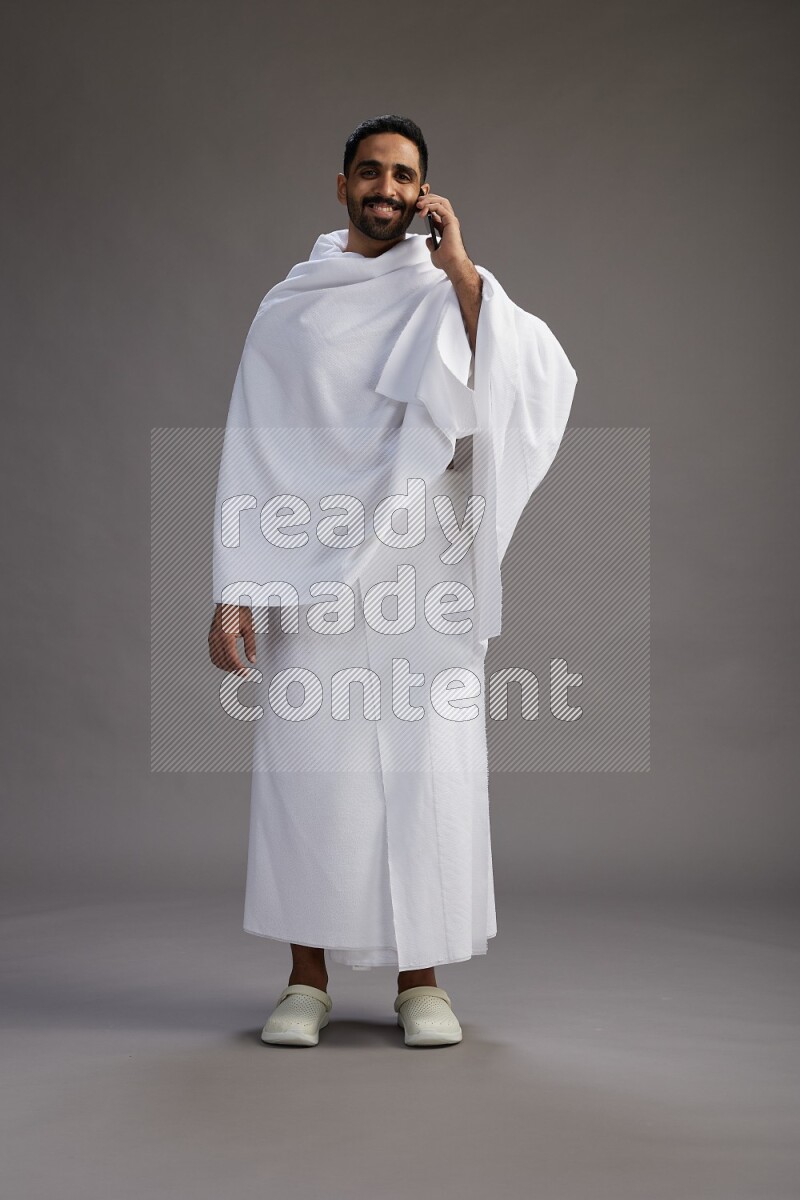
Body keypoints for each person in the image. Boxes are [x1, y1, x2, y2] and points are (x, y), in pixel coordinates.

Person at [208, 114, 578, 1047]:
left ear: (425, 192)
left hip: (425, 561)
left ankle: (424, 982)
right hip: (316, 561)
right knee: (311, 768)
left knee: (430, 765)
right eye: (369, 172)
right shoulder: (289, 307)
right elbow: (254, 444)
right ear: (341, 185)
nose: (386, 188)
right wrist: (234, 585)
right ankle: (306, 981)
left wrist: (460, 270)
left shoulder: (449, 289)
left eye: (404, 176)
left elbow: (533, 377)